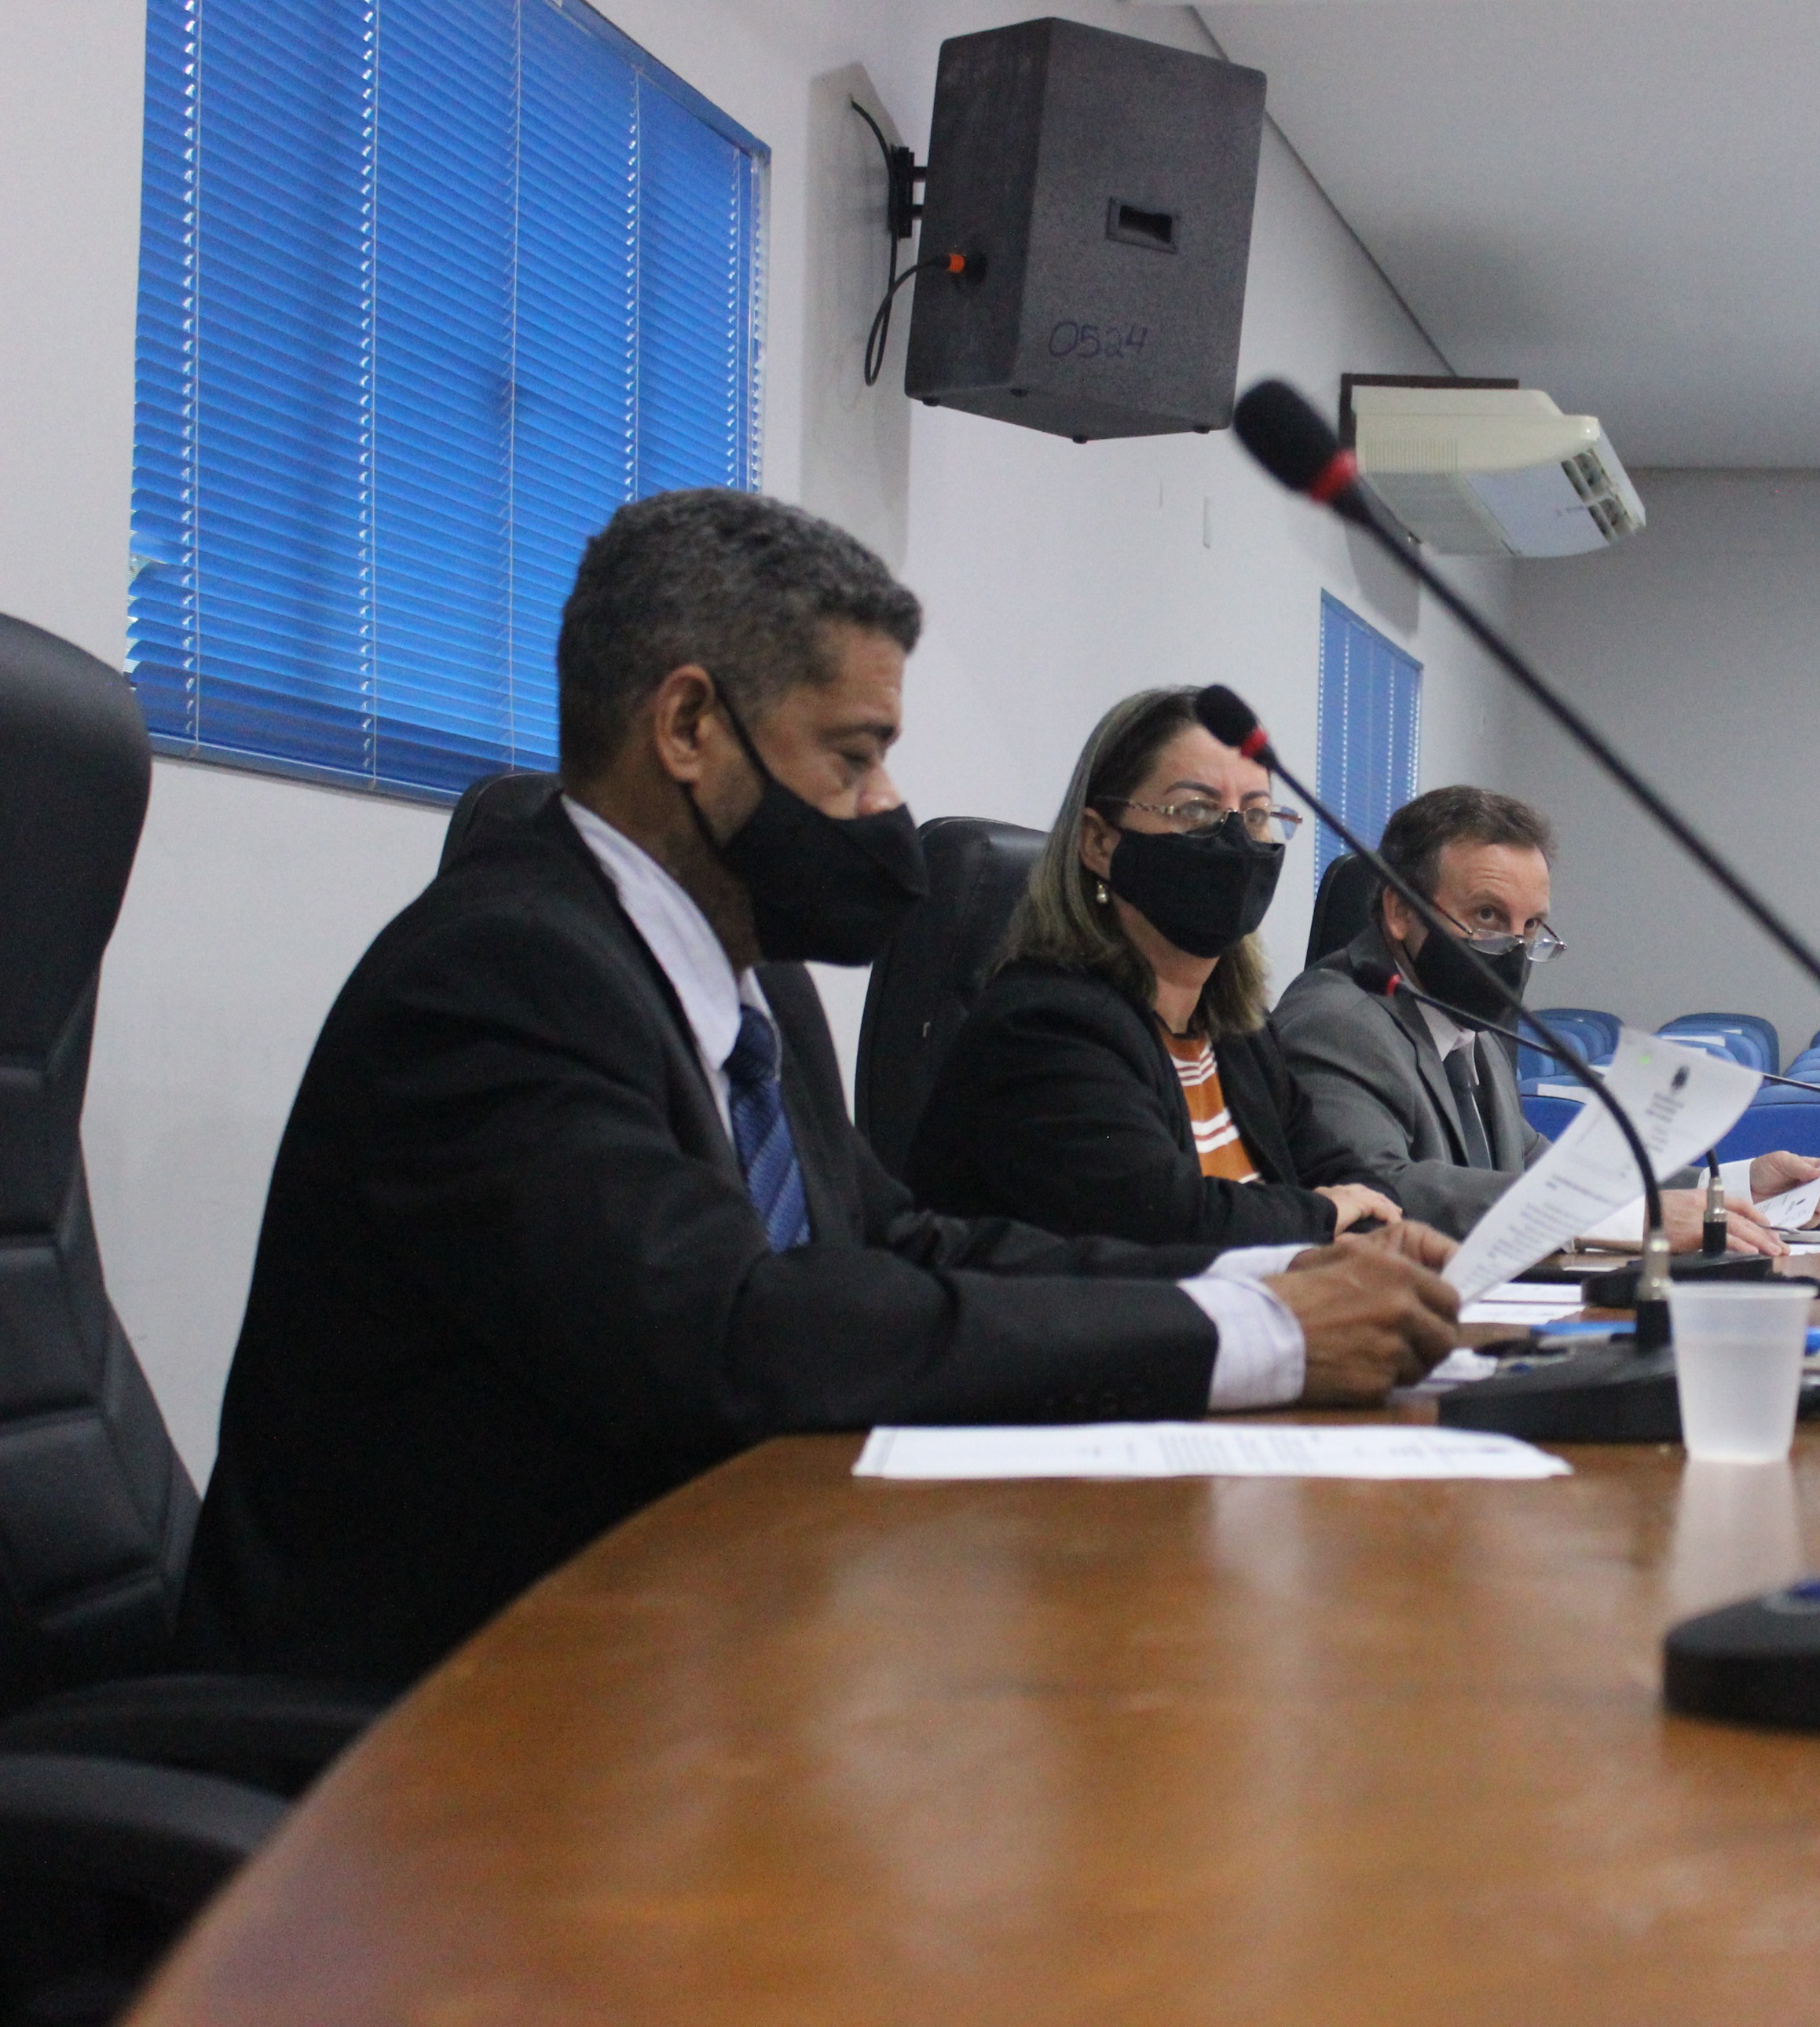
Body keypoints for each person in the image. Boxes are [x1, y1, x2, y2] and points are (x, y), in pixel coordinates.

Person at [175, 491, 1457, 1688]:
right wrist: (1261, 1338)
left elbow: (904, 1242)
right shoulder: (500, 977)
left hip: (693, 1632)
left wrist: (1266, 1275)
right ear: (688, 728)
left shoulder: (751, 983)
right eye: (854, 757)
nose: (887, 805)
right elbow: (735, 1335)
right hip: (430, 1703)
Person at [906, 688, 1406, 1247]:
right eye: (1195, 810)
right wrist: (1323, 1217)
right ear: (1100, 842)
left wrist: (1355, 1221)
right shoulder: (1044, 1027)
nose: (1236, 839)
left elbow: (1350, 1176)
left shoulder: (1239, 1030)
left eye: (1257, 815)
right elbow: (1166, 1223)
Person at [1273, 785, 1820, 1249]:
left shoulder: (1466, 1024)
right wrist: (1633, 1218)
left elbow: (1541, 1170)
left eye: (1530, 926)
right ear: (1400, 911)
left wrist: (1726, 1190)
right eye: (1487, 915)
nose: (1513, 948)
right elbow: (1380, 1191)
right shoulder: (1338, 1020)